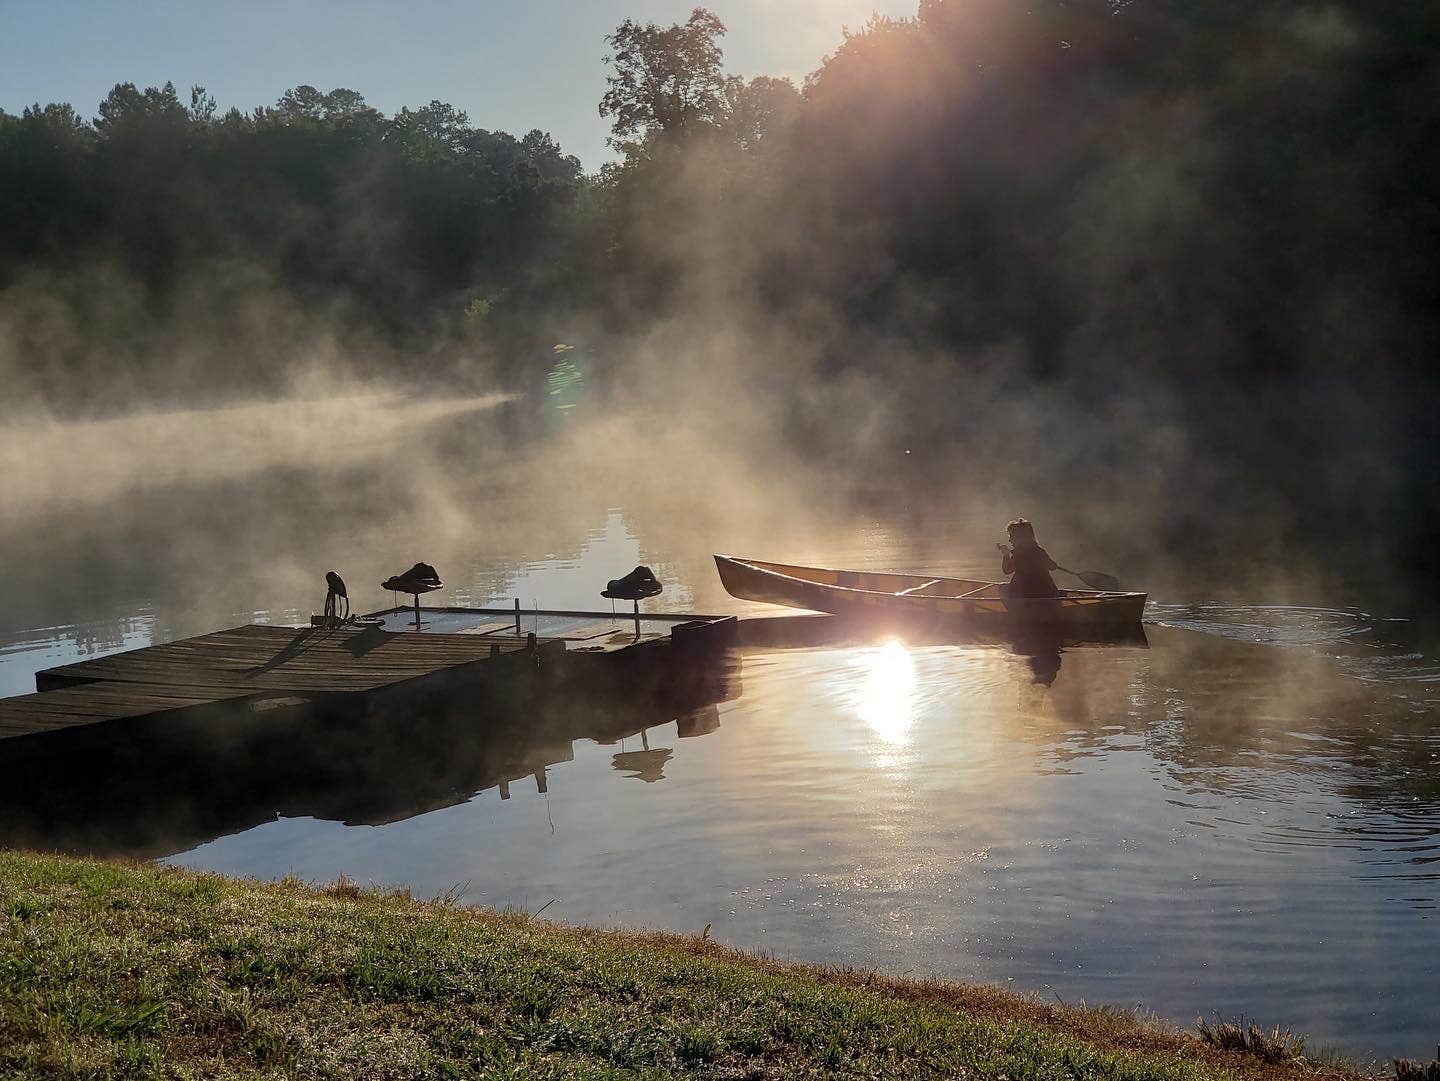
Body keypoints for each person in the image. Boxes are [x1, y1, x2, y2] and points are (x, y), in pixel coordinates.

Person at [997, 518, 1059, 598]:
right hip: (1048, 593)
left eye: (1011, 536)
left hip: (1026, 594)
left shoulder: (1018, 553)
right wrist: (1053, 565)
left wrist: (1006, 555)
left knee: (1002, 588)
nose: (1009, 540)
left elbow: (1007, 570)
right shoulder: (1039, 551)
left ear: (1020, 537)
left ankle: (1016, 605)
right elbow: (1052, 567)